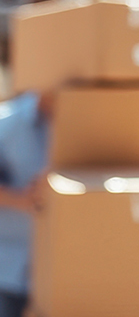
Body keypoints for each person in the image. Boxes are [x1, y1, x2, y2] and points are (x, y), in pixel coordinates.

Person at [0, 90, 50, 317]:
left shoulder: (91, 124)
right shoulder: (8, 122)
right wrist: (20, 199)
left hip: (64, 267)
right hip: (9, 266)